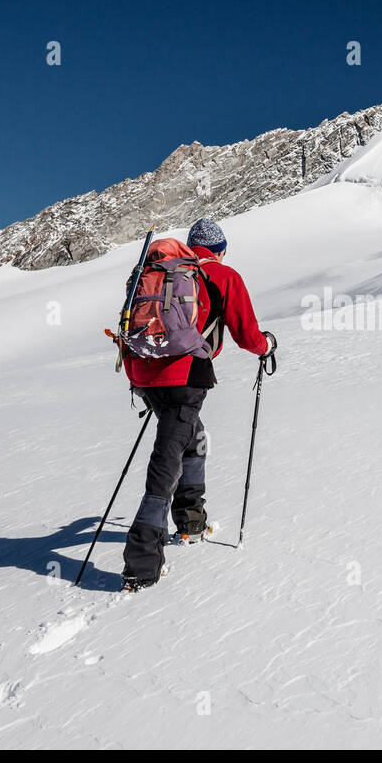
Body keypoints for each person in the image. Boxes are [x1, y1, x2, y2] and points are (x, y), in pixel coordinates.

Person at [120, 217, 276, 591]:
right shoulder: (223, 275)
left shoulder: (159, 270)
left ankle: (189, 521)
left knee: (194, 438)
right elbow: (247, 334)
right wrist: (266, 346)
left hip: (142, 372)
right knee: (167, 458)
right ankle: (141, 564)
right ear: (220, 250)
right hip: (184, 375)